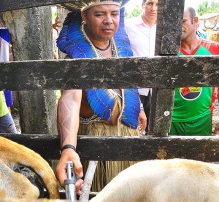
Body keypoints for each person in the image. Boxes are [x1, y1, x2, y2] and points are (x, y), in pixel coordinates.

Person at [55, 0, 146, 193]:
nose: (109, 21)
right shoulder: (76, 56)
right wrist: (68, 148)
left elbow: (128, 79)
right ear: (84, 17)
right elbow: (70, 98)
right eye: (99, 14)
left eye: (114, 13)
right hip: (96, 146)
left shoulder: (119, 45)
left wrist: (140, 108)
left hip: (127, 136)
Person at [169, 7, 219, 136]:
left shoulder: (213, 49)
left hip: (202, 119)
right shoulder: (167, 53)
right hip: (172, 121)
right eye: (174, 22)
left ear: (195, 21)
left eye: (183, 21)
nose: (177, 26)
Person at [125, 0, 158, 134]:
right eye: (150, 3)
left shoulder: (165, 29)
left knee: (156, 131)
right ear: (142, 5)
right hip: (134, 88)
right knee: (134, 131)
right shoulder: (128, 26)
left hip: (157, 88)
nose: (153, 8)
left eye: (157, 4)